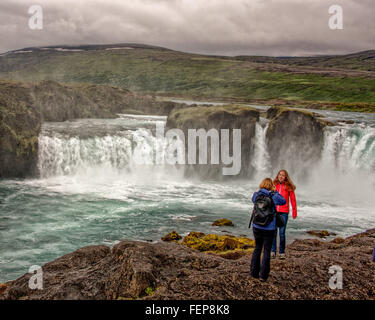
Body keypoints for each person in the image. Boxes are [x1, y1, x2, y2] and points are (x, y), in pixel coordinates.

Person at [250, 178, 286, 282]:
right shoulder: (273, 196)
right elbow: (283, 201)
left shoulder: (256, 195)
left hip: (256, 226)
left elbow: (252, 200)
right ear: (271, 186)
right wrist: (275, 191)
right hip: (269, 228)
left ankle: (253, 273)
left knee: (257, 249)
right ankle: (263, 276)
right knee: (266, 251)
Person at [271, 169, 297, 259]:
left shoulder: (288, 186)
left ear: (286, 177)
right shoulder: (274, 184)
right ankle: (273, 251)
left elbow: (293, 200)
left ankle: (282, 252)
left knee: (282, 233)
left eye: (283, 175)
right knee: (273, 232)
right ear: (277, 175)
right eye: (280, 174)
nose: (281, 176)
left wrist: (294, 211)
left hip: (284, 212)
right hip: (274, 211)